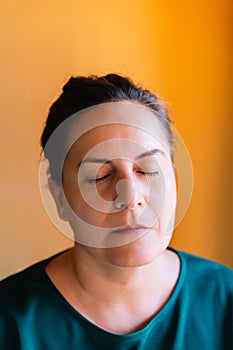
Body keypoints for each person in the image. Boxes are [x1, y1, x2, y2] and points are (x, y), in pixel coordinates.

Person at [0, 74, 232, 350]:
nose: (130, 197)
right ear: (59, 196)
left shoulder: (225, 299)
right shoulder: (10, 323)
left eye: (148, 170)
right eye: (100, 176)